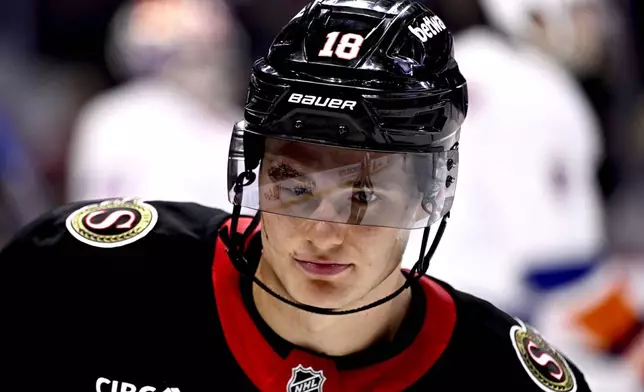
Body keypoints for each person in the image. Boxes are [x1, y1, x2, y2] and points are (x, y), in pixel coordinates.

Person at [1, 1, 592, 391]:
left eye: (365, 196)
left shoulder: (506, 380)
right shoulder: (78, 278)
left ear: (428, 196)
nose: (324, 232)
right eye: (295, 186)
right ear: (251, 172)